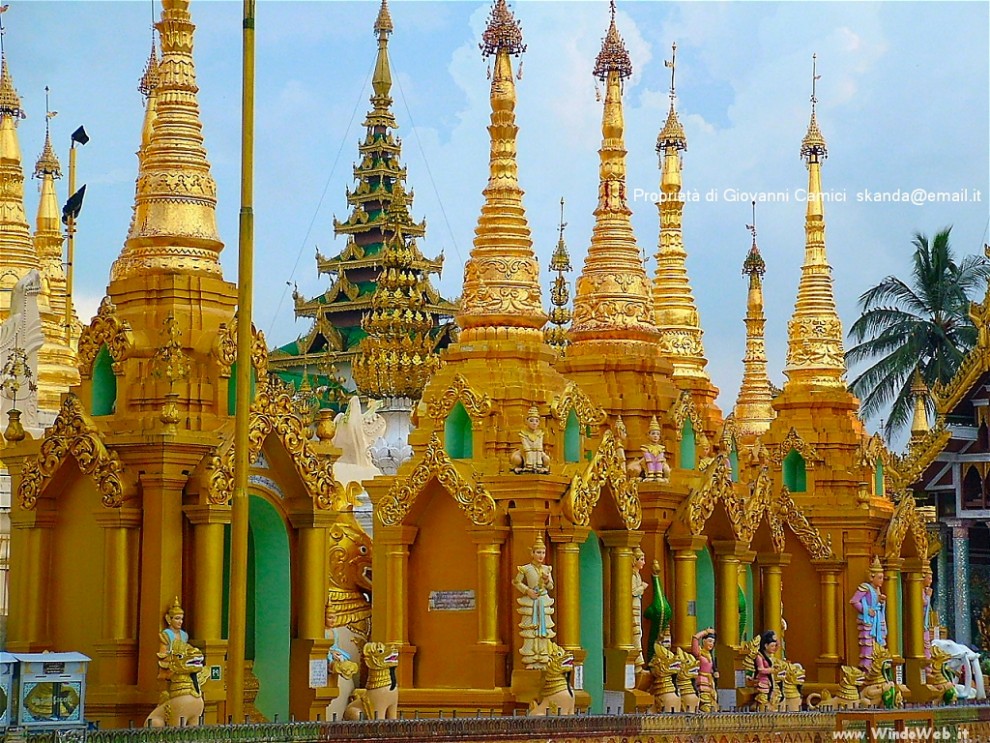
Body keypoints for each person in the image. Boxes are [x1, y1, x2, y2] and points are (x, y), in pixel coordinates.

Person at [513, 534, 555, 668]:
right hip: (532, 601)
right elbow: (516, 582)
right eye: (538, 552)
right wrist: (527, 591)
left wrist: (547, 580)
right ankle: (530, 658)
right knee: (531, 630)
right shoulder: (526, 569)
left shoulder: (547, 569)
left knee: (544, 630)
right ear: (532, 553)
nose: (541, 555)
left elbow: (551, 586)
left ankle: (543, 657)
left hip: (543, 600)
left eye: (543, 552)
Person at [850, 557, 887, 668]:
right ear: (872, 577)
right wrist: (866, 610)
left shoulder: (877, 589)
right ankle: (868, 669)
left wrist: (881, 602)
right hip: (869, 621)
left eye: (882, 578)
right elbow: (854, 601)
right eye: (879, 578)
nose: (882, 580)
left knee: (879, 645)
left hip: (878, 619)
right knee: (868, 646)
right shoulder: (865, 588)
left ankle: (877, 667)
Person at [511, 407, 550, 474]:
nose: (534, 423)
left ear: (539, 423)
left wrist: (539, 465)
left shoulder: (540, 433)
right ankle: (519, 467)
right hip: (525, 453)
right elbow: (526, 448)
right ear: (526, 422)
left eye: (536, 421)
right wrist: (529, 465)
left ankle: (542, 467)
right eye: (531, 421)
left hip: (537, 453)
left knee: (546, 458)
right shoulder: (523, 433)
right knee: (517, 458)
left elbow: (539, 448)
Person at [691, 627, 719, 712]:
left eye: (713, 642)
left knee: (713, 705)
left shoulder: (710, 655)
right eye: (709, 641)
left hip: (710, 681)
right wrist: (705, 632)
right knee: (704, 703)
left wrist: (714, 672)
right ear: (703, 641)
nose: (711, 644)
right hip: (701, 679)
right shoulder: (699, 653)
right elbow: (695, 638)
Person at [631, 547, 648, 674]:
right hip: (633, 608)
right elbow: (633, 591)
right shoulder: (632, 575)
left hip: (637, 606)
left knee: (639, 633)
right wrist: (642, 587)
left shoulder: (637, 575)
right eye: (641, 559)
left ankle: (638, 663)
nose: (643, 562)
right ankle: (637, 663)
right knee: (636, 633)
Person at [755, 629, 780, 709]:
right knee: (763, 699)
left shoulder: (770, 656)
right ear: (766, 646)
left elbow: (778, 646)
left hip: (771, 682)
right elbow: (760, 669)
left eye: (774, 646)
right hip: (763, 682)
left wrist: (776, 638)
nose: (774, 648)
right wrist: (771, 670)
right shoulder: (759, 656)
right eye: (772, 646)